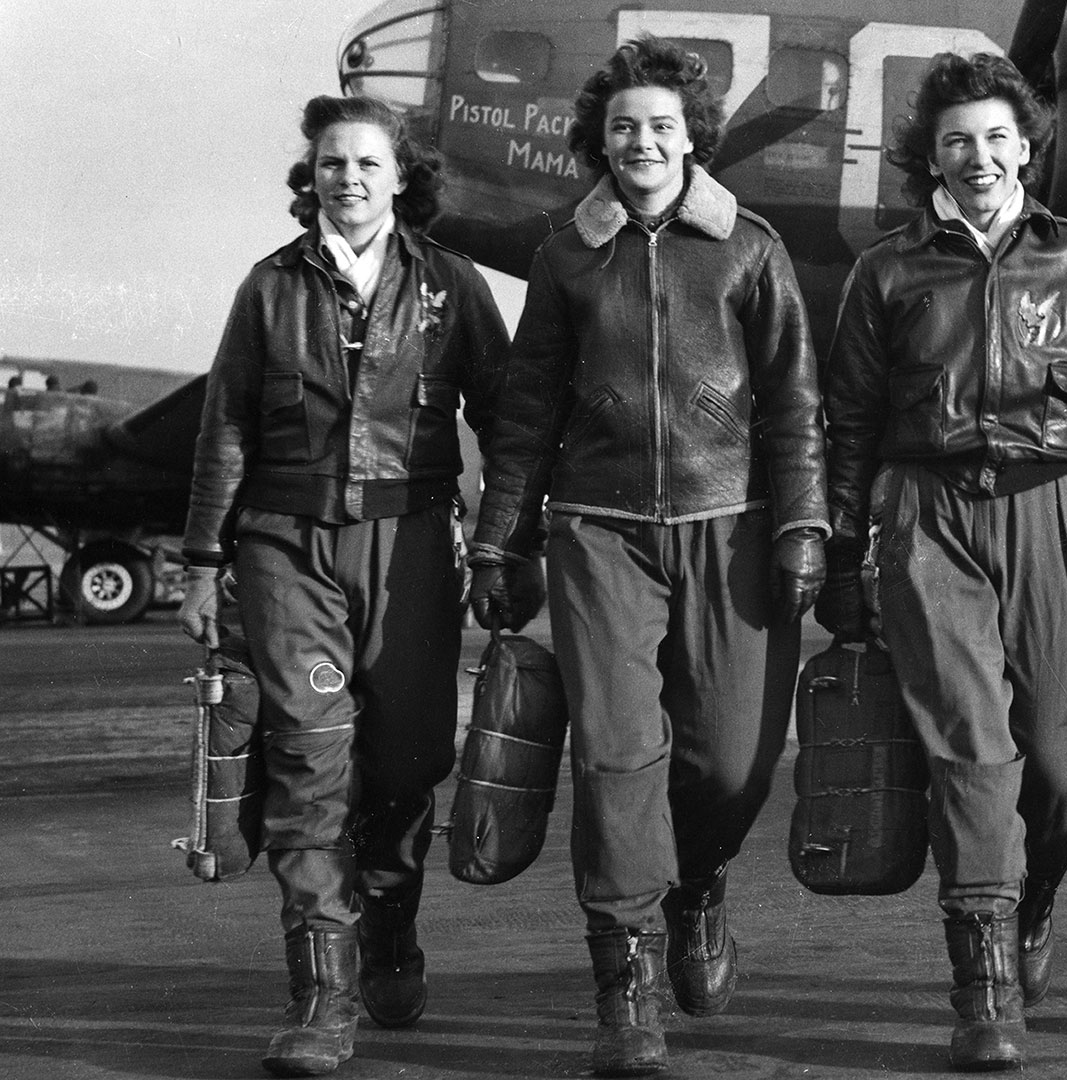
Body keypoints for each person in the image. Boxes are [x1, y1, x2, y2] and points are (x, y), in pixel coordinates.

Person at [466, 35, 826, 1078]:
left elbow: (795, 405)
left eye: (662, 125)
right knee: (617, 758)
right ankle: (624, 987)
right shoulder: (564, 257)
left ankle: (698, 884)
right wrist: (499, 540)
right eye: (624, 126)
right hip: (599, 531)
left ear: (692, 137)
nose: (643, 142)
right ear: (601, 140)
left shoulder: (751, 248)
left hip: (732, 526)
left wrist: (804, 526)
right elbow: (526, 413)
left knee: (732, 762)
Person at [820, 52, 1067, 1072]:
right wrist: (844, 554)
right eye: (957, 140)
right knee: (971, 755)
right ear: (931, 155)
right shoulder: (886, 272)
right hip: (928, 518)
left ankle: (1032, 897)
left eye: (997, 137)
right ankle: (984, 987)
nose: (978, 156)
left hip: (1055, 514)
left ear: (1027, 147)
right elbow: (849, 426)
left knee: (1064, 772)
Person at [178, 95, 511, 1076]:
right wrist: (201, 562)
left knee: (408, 763)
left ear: (402, 176)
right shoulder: (269, 287)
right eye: (332, 163)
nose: (350, 178)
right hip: (285, 545)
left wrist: (506, 546)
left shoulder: (453, 284)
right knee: (309, 761)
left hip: (413, 545)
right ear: (312, 177)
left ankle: (391, 924)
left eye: (369, 162)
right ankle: (323, 997)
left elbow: (504, 420)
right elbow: (225, 427)